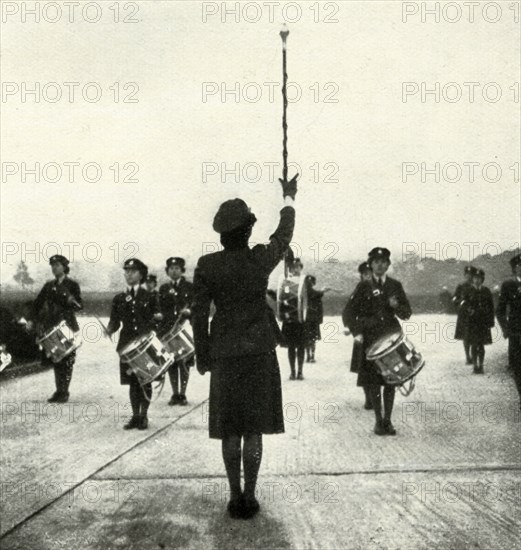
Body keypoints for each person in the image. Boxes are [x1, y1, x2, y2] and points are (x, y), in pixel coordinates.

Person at [192, 174, 297, 519]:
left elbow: (197, 315)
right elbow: (283, 238)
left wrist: (203, 355)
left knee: (230, 429)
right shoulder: (258, 260)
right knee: (253, 429)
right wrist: (288, 199)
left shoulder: (207, 266)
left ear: (221, 234)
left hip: (224, 356)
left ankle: (233, 496)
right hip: (258, 354)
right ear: (249, 231)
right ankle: (250, 497)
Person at [349, 248, 412, 435]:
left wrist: (397, 306)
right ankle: (378, 421)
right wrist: (357, 332)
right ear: (371, 264)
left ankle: (388, 421)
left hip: (391, 338)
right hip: (371, 339)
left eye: (384, 261)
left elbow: (407, 313)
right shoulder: (363, 287)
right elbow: (349, 313)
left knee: (391, 380)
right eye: (376, 262)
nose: (380, 265)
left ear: (388, 264)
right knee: (375, 381)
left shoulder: (395, 285)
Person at [107, 258, 162, 430]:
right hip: (127, 346)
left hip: (144, 345)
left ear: (141, 275)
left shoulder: (150, 296)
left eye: (133, 271)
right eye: (127, 271)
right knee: (132, 382)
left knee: (145, 380)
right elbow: (115, 322)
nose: (129, 274)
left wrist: (157, 320)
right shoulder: (119, 298)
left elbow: (158, 318)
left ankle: (144, 416)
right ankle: (135, 416)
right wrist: (109, 329)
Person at [29, 255, 83, 403]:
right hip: (52, 326)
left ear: (64, 267)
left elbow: (79, 306)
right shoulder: (48, 285)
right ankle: (59, 391)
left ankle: (64, 391)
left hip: (68, 326)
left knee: (68, 359)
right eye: (52, 265)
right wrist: (31, 319)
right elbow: (37, 303)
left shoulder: (72, 285)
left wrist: (72, 300)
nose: (54, 268)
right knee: (57, 358)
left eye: (57, 265)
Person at [158, 257, 194, 406]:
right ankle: (174, 393)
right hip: (169, 329)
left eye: (177, 268)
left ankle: (183, 394)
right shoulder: (164, 289)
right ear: (167, 271)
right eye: (171, 269)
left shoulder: (189, 287)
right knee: (172, 362)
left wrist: (189, 310)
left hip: (185, 327)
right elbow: (159, 307)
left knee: (184, 361)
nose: (174, 271)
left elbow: (197, 305)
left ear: (182, 271)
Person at [342, 261, 373, 409]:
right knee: (365, 368)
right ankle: (369, 398)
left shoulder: (382, 287)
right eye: (366, 274)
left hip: (379, 332)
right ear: (361, 276)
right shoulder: (360, 289)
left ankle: (376, 397)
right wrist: (355, 332)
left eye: (370, 274)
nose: (369, 277)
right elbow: (348, 312)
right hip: (364, 333)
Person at [496, 254, 521, 408]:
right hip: (516, 333)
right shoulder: (508, 285)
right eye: (519, 266)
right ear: (515, 268)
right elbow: (499, 311)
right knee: (518, 368)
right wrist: (506, 330)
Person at [464, 269, 495, 374]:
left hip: (483, 322)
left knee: (481, 345)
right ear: (472, 279)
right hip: (472, 322)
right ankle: (474, 366)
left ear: (482, 280)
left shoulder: (486, 291)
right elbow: (464, 305)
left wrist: (491, 322)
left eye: (479, 279)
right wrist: (469, 311)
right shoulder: (468, 291)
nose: (477, 281)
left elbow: (491, 307)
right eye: (475, 278)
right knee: (473, 344)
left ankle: (481, 365)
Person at [281, 258, 307, 380]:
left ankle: (300, 371)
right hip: (289, 320)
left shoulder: (304, 281)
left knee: (301, 346)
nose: (296, 269)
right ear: (290, 268)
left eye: (298, 267)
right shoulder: (286, 282)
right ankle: (292, 371)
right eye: (294, 267)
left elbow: (307, 297)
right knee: (291, 347)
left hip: (301, 320)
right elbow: (282, 298)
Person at [453, 266, 477, 364]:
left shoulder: (476, 286)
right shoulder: (461, 286)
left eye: (470, 275)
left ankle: (474, 355)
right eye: (467, 275)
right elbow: (455, 299)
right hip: (464, 314)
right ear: (465, 275)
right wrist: (460, 303)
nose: (468, 277)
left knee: (475, 336)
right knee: (466, 336)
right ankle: (468, 356)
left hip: (475, 313)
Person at [304, 276, 330, 363]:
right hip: (313, 319)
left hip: (306, 319)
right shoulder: (314, 293)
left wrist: (322, 291)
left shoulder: (304, 292)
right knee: (313, 339)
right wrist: (322, 291)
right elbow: (316, 294)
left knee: (307, 338)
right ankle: (311, 356)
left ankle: (308, 356)